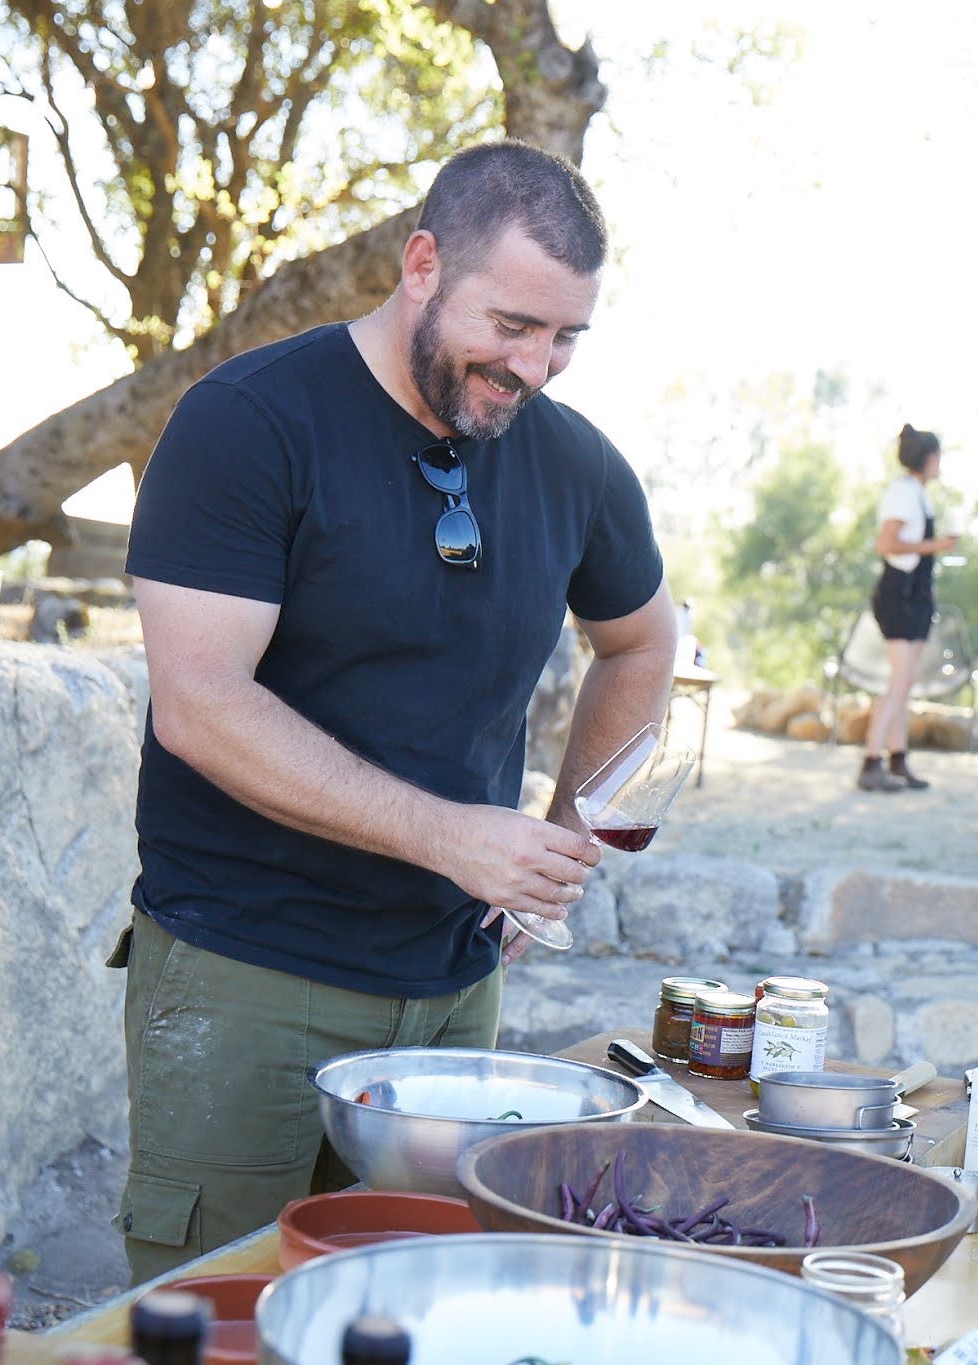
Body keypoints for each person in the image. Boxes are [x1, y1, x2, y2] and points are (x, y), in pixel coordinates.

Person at [113, 139, 676, 1280]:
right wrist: (450, 835)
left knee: (416, 1308)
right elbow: (199, 703)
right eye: (511, 326)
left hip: (454, 988)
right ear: (421, 263)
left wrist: (569, 834)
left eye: (566, 336)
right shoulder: (246, 421)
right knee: (221, 1310)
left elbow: (644, 639)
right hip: (245, 972)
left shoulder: (576, 466)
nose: (537, 367)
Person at [860, 423, 956, 792]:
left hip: (915, 595)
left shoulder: (917, 493)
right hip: (898, 593)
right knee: (899, 681)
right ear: (929, 459)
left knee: (905, 681)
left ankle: (897, 760)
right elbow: (886, 544)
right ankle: (871, 762)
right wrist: (934, 546)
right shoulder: (902, 493)